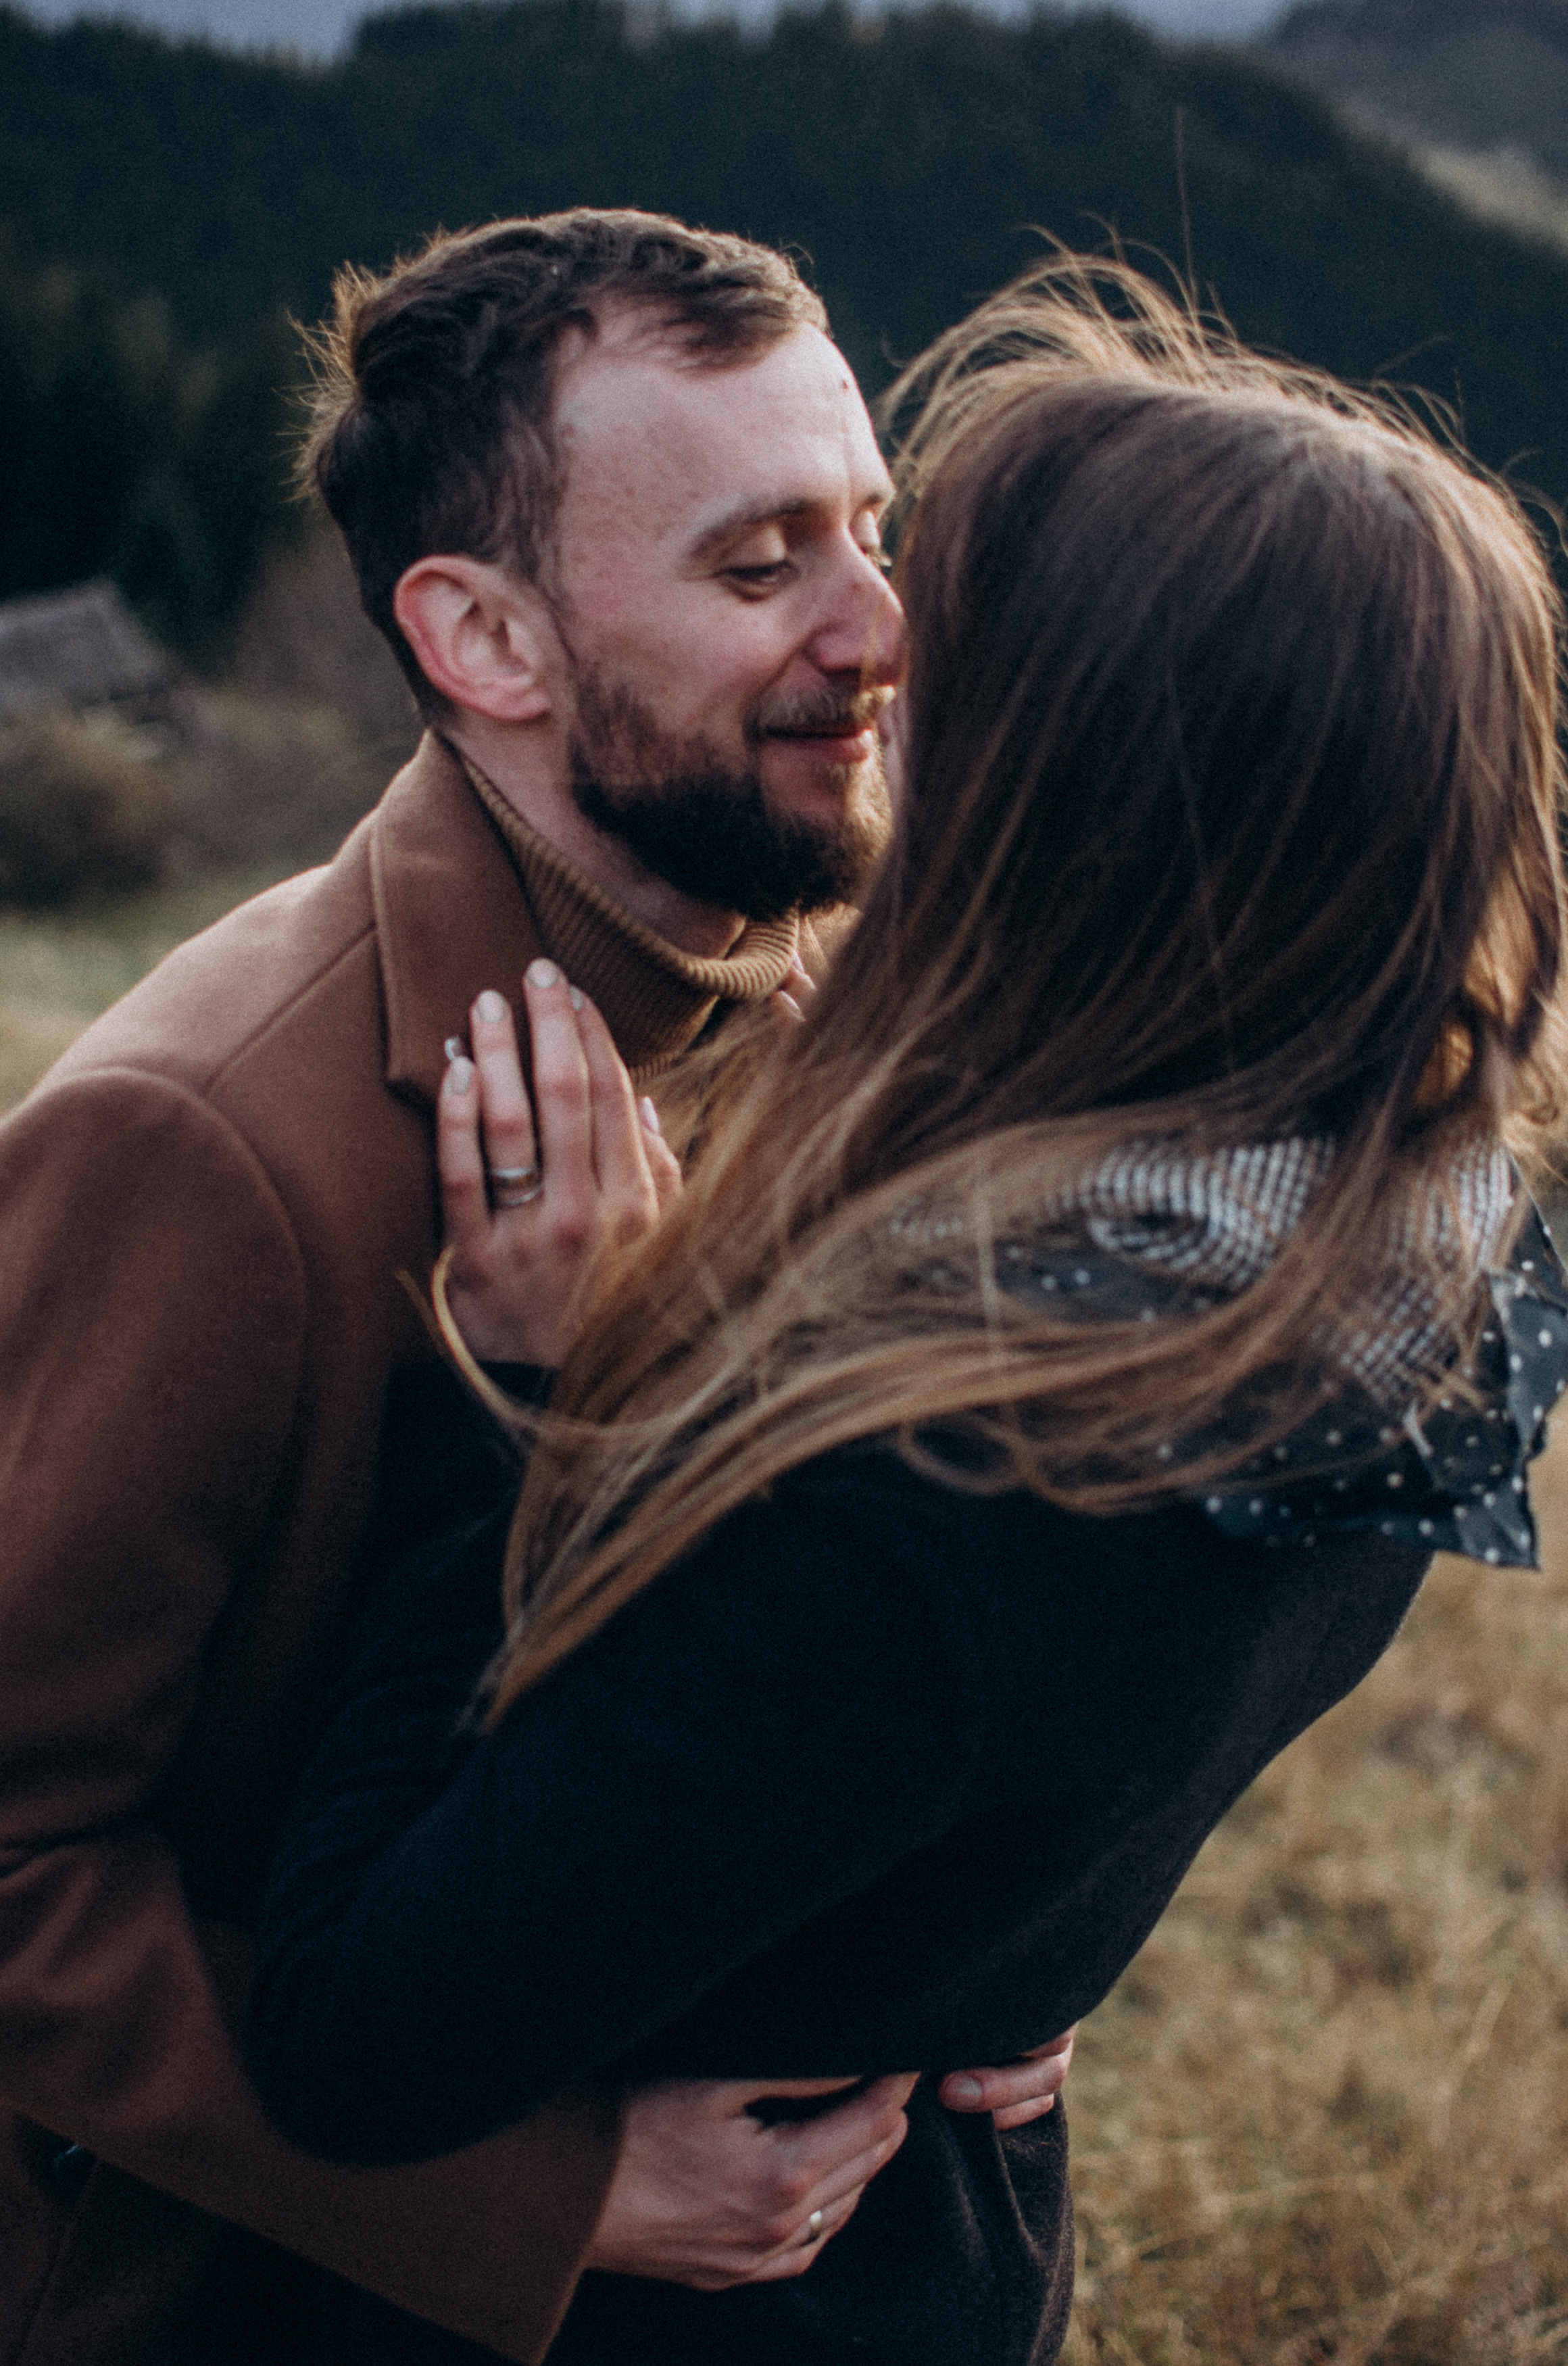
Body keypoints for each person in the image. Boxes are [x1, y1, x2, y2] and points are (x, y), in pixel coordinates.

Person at [247, 258, 1568, 2366]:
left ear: (1066, 825)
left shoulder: (918, 1488)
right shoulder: (1441, 1269)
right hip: (955, 2265)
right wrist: (1008, 1931)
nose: (866, 658)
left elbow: (349, 2033)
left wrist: (536, 1407)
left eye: (934, 639)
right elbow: (1058, 1735)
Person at [0, 210, 1069, 2366]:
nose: (884, 624)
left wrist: (993, 1934)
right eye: (761, 566)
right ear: (483, 637)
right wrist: (534, 2185)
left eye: (873, 525)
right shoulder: (205, 1143)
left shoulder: (818, 977)